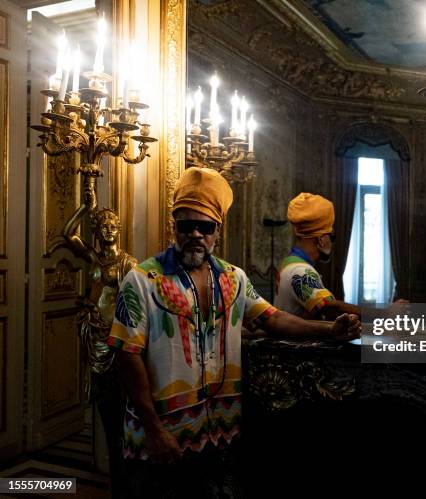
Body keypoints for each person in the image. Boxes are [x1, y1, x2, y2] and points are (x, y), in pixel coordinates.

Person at [108, 168, 360, 498]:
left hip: (219, 435)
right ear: (173, 226)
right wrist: (154, 429)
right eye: (186, 225)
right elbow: (127, 356)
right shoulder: (141, 281)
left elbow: (274, 319)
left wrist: (329, 329)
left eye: (205, 226)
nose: (195, 234)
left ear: (217, 232)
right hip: (160, 441)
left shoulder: (234, 279)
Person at [63, 204, 137, 498]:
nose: (108, 228)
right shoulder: (91, 257)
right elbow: (68, 233)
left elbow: (133, 305)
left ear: (119, 229)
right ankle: (110, 469)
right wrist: (85, 205)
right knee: (101, 403)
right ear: (97, 230)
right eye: (103, 224)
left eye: (113, 224)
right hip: (93, 335)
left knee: (116, 411)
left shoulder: (128, 263)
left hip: (114, 340)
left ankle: (119, 474)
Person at [275, 192, 360, 320]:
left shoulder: (290, 262)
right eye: (332, 237)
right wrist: (383, 314)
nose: (332, 243)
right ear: (321, 240)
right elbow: (331, 308)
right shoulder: (301, 271)